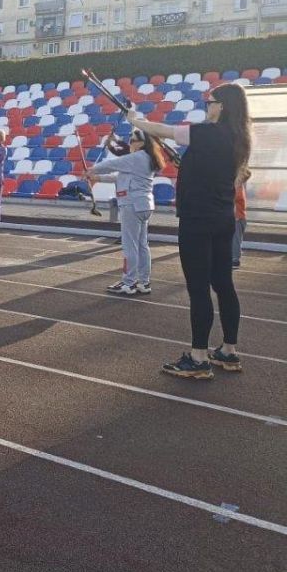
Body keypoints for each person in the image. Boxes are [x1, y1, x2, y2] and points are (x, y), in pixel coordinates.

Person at [129, 82, 251, 378]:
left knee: (198, 289)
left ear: (222, 106)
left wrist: (135, 120)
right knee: (224, 284)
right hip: (223, 218)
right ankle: (229, 351)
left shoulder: (205, 132)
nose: (207, 106)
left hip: (198, 219)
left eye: (210, 101)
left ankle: (198, 358)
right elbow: (238, 179)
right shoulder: (241, 138)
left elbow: (164, 131)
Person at [87, 128, 164, 296]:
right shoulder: (147, 158)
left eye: (132, 140)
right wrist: (98, 178)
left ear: (141, 143)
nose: (129, 142)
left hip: (132, 205)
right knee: (143, 245)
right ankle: (143, 282)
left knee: (130, 245)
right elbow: (120, 176)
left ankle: (129, 283)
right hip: (144, 205)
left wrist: (93, 170)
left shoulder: (137, 157)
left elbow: (111, 165)